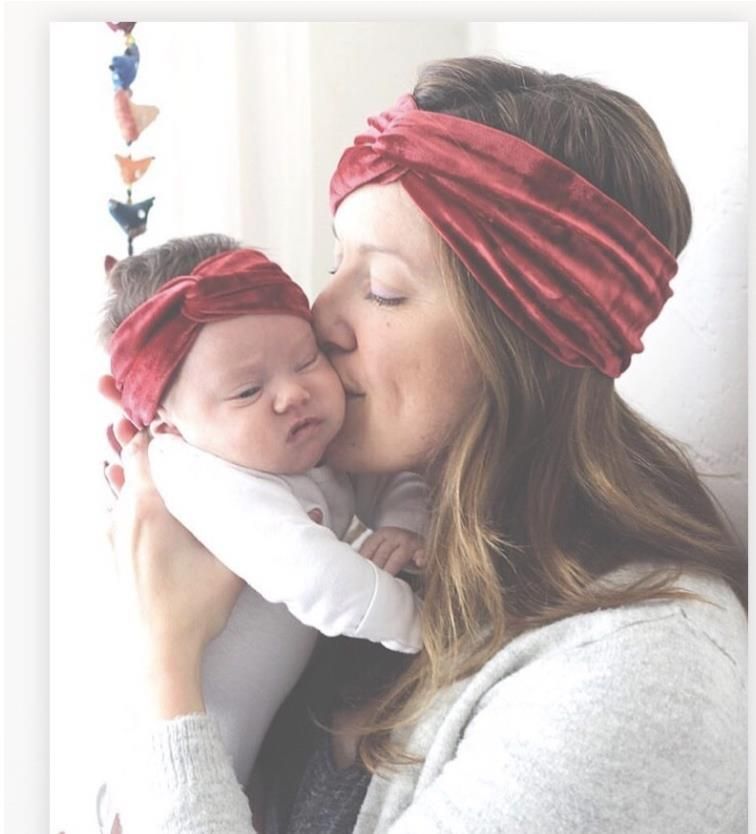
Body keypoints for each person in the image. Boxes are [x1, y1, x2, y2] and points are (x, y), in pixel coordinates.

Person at [100, 56, 747, 834]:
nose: (320, 314)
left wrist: (168, 657)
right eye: (335, 264)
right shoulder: (376, 542)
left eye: (383, 289)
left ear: (527, 341)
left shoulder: (638, 679)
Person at [96, 241, 427, 823]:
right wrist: (421, 624)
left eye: (305, 360)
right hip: (165, 762)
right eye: (248, 391)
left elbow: (387, 482)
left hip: (254, 759)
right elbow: (311, 574)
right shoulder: (195, 475)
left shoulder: (295, 445)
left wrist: (404, 523)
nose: (292, 394)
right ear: (168, 422)